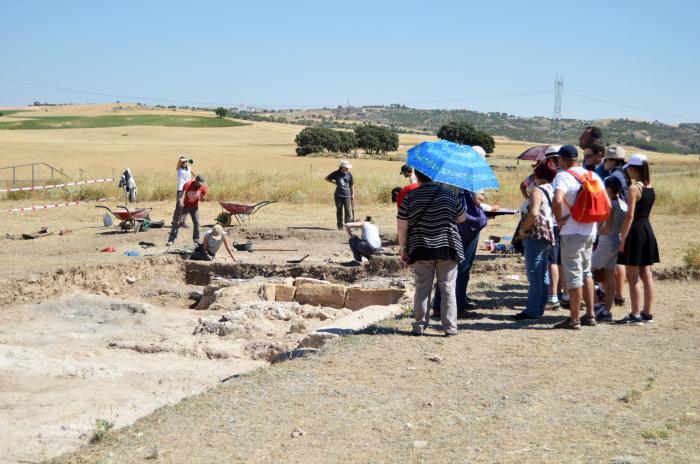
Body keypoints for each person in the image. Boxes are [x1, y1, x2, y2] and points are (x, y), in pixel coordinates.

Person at [397, 170, 466, 336]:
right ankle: (450, 327)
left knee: (422, 287)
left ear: (418, 177)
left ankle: (419, 326)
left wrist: (403, 248)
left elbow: (402, 225)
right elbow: (462, 218)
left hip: (421, 247)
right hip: (448, 246)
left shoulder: (410, 196)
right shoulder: (449, 194)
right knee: (448, 287)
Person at [551, 145, 609, 330]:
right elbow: (607, 203)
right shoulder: (593, 175)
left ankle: (574, 319)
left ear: (561, 159)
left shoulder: (563, 176)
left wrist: (559, 219)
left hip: (571, 231)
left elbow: (558, 199)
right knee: (586, 272)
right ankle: (590, 314)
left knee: (573, 275)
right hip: (590, 231)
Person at [616, 154, 659, 325]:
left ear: (634, 169)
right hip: (647, 229)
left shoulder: (634, 189)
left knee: (632, 276)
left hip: (635, 232)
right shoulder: (650, 187)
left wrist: (623, 238)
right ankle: (647, 313)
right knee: (646, 274)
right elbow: (649, 213)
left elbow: (630, 215)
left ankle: (635, 314)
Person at [432, 189, 489, 317]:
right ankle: (458, 308)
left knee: (445, 270)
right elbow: (478, 199)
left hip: (449, 228)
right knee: (463, 269)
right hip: (466, 229)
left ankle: (437, 306)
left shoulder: (449, 182)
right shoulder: (471, 182)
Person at [513, 162, 557, 320]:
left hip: (534, 235)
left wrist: (522, 230)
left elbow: (533, 213)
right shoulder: (551, 189)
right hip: (547, 235)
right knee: (542, 273)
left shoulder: (538, 190)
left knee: (534, 275)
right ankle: (538, 308)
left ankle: (531, 310)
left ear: (537, 175)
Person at [591, 178, 627, 322]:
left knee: (585, 272)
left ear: (609, 190)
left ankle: (596, 305)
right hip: (616, 241)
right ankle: (606, 310)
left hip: (606, 242)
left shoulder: (609, 204)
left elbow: (606, 228)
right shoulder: (624, 204)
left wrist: (597, 230)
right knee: (610, 277)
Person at [167, 174, 207, 246]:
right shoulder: (187, 185)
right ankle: (171, 239)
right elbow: (181, 195)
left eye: (202, 183)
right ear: (196, 181)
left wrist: (202, 198)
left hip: (194, 207)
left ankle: (196, 239)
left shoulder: (203, 187)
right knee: (177, 222)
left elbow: (203, 198)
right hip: (185, 206)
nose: (200, 185)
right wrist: (181, 202)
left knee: (197, 222)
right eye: (199, 183)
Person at [325, 160, 355, 230]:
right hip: (338, 195)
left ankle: (348, 227)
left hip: (347, 195)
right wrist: (335, 183)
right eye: (346, 167)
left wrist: (353, 194)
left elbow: (352, 185)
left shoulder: (349, 174)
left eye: (348, 168)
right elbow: (326, 178)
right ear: (342, 167)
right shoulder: (336, 173)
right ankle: (340, 227)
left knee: (348, 211)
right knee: (339, 211)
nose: (347, 169)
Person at [174, 156, 195, 228]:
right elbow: (179, 160)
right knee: (179, 206)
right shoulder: (178, 168)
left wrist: (192, 182)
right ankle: (175, 222)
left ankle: (183, 222)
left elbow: (195, 176)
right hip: (180, 190)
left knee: (186, 207)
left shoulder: (189, 168)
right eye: (183, 162)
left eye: (185, 162)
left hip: (188, 190)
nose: (184, 163)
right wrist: (186, 159)